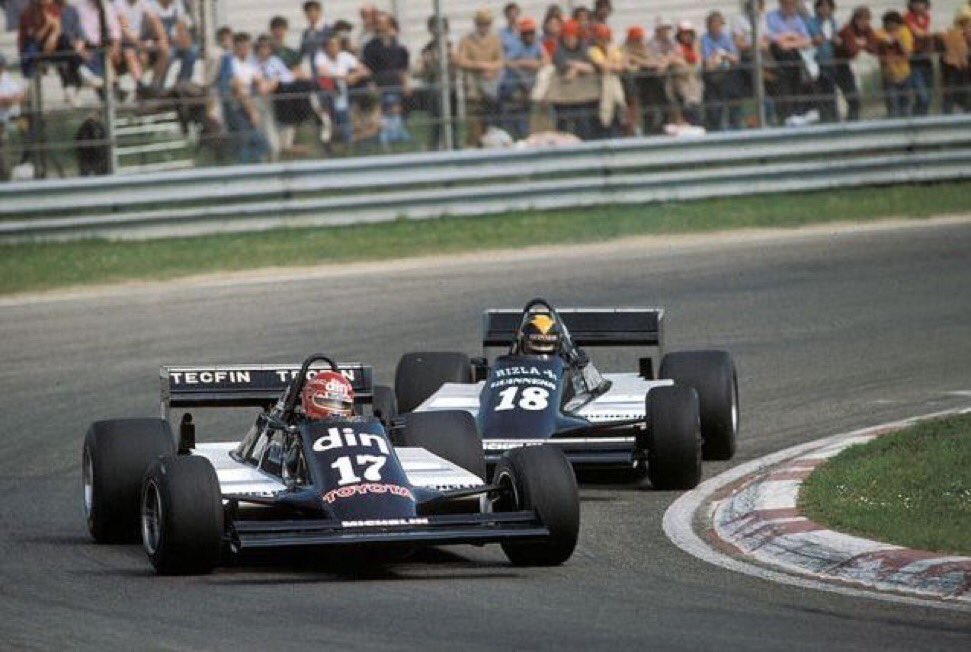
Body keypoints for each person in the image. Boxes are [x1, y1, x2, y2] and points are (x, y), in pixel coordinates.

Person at [456, 8, 503, 147]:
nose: (484, 26)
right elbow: (461, 61)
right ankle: (474, 145)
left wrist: (490, 70)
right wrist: (479, 66)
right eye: (481, 23)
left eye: (486, 23)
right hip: (473, 87)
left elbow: (500, 61)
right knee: (474, 121)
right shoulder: (467, 40)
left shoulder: (495, 40)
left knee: (489, 122)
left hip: (490, 86)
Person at [312, 34, 370, 147]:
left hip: (342, 97)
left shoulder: (345, 56)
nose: (333, 48)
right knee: (328, 126)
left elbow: (365, 71)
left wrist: (354, 76)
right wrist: (345, 77)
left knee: (344, 126)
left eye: (335, 45)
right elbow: (322, 73)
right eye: (330, 45)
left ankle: (349, 144)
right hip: (326, 97)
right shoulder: (320, 57)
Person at [765, 0, 815, 123]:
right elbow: (772, 39)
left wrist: (789, 41)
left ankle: (799, 113)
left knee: (799, 82)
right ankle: (786, 115)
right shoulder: (771, 17)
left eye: (793, 4)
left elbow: (807, 41)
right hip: (777, 58)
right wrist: (791, 35)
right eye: (788, 3)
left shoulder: (797, 19)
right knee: (784, 86)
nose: (791, 6)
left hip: (795, 56)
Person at [549, 18, 598, 139]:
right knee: (563, 127)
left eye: (572, 37)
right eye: (566, 38)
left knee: (584, 126)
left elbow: (592, 67)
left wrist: (575, 67)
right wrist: (579, 66)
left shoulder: (584, 48)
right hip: (563, 98)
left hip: (583, 97)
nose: (569, 40)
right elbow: (565, 72)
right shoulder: (558, 50)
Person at [225, 32, 269, 163]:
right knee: (245, 143)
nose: (244, 50)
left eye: (246, 47)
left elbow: (260, 81)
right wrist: (252, 112)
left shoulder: (250, 64)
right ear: (235, 48)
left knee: (259, 143)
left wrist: (261, 84)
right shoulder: (231, 63)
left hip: (249, 105)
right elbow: (238, 89)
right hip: (237, 108)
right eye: (240, 47)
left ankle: (254, 168)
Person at [501, 16, 547, 139]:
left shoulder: (537, 45)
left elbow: (546, 61)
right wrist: (524, 64)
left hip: (533, 84)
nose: (529, 36)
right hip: (518, 86)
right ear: (522, 34)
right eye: (526, 33)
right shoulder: (517, 46)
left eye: (531, 32)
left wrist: (533, 64)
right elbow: (507, 62)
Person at [418, 14, 458, 150]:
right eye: (434, 28)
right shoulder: (427, 48)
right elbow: (422, 68)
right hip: (434, 87)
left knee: (453, 122)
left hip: (450, 88)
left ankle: (455, 147)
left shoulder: (451, 46)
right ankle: (434, 148)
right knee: (436, 122)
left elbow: (455, 63)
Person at [701, 11, 745, 130]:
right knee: (715, 107)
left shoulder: (727, 37)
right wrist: (720, 57)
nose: (717, 28)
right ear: (709, 26)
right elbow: (709, 65)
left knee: (734, 95)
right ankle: (716, 128)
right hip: (713, 76)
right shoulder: (705, 39)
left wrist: (722, 55)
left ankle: (735, 126)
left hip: (729, 74)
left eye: (719, 24)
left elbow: (736, 59)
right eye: (714, 25)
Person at [115, 0, 169, 92]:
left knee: (164, 49)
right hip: (125, 42)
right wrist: (140, 44)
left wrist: (162, 38)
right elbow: (125, 29)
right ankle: (140, 86)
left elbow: (155, 20)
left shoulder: (143, 3)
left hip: (141, 41)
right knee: (130, 54)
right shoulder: (118, 4)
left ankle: (154, 84)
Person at [835, 5, 878, 120]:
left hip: (847, 66)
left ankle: (852, 122)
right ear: (855, 19)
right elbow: (852, 51)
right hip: (836, 65)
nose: (864, 22)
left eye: (866, 19)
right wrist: (861, 44)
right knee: (845, 99)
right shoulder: (848, 29)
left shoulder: (867, 30)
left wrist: (860, 44)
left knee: (854, 100)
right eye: (861, 19)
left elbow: (874, 48)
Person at [588, 22, 626, 137]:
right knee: (604, 113)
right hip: (598, 87)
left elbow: (621, 66)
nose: (604, 41)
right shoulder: (593, 50)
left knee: (618, 106)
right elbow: (604, 67)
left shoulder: (612, 48)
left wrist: (612, 63)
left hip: (613, 83)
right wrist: (610, 56)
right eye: (601, 38)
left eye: (606, 38)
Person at [876, 10, 913, 117]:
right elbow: (878, 40)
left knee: (906, 105)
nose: (890, 26)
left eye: (893, 23)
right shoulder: (880, 32)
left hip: (904, 74)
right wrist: (890, 39)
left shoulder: (904, 32)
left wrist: (899, 41)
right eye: (888, 23)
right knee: (892, 106)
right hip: (888, 75)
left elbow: (908, 53)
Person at [807, 0, 838, 121]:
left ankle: (833, 117)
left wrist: (831, 38)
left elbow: (835, 39)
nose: (825, 9)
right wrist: (827, 36)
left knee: (831, 90)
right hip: (817, 62)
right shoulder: (812, 22)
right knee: (820, 91)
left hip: (831, 61)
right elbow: (816, 39)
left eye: (828, 7)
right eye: (822, 6)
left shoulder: (832, 22)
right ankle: (824, 117)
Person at [152, 0, 196, 83]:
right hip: (159, 40)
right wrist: (167, 39)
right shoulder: (153, 5)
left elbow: (181, 23)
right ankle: (158, 83)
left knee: (192, 51)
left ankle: (183, 81)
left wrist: (182, 38)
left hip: (175, 41)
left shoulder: (177, 4)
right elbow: (154, 29)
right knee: (168, 54)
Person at [904, 0, 933, 115]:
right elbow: (917, 32)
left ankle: (922, 118)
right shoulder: (907, 17)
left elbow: (923, 34)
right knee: (922, 96)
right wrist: (927, 36)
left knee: (928, 95)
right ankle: (916, 117)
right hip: (913, 59)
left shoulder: (926, 17)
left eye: (921, 2)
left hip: (925, 58)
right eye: (915, 2)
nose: (919, 5)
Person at [940, 8, 970, 113]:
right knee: (952, 92)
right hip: (954, 67)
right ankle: (949, 113)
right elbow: (959, 51)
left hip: (960, 66)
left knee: (962, 92)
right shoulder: (954, 33)